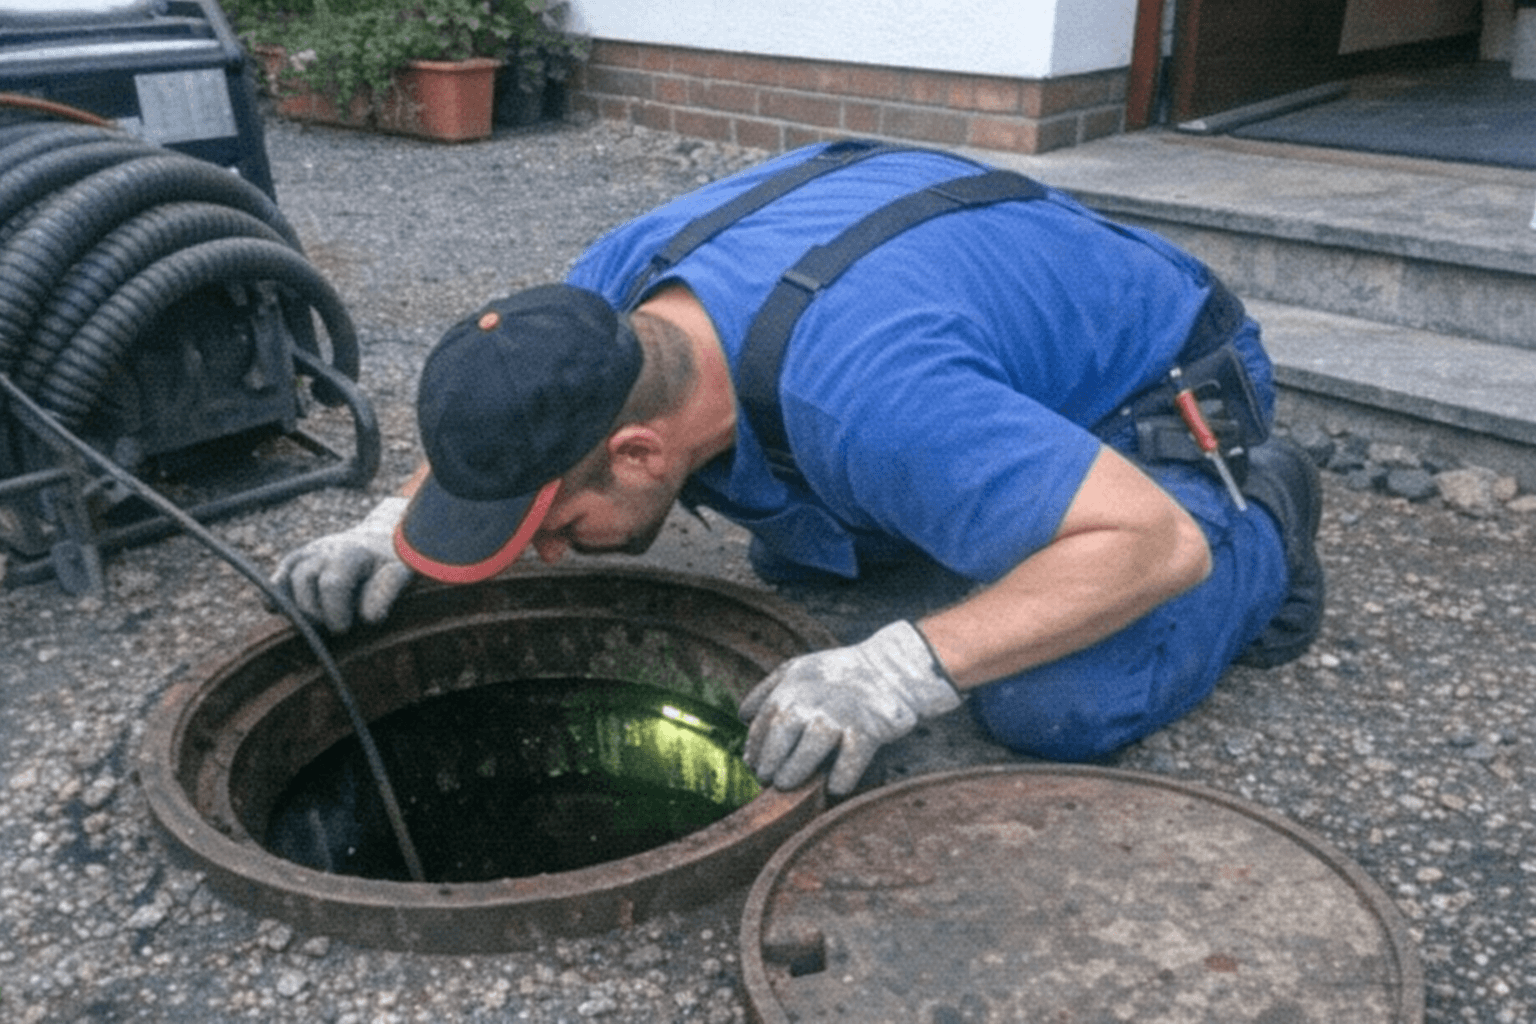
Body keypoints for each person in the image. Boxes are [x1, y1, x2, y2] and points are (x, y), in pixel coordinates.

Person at [273, 140, 1323, 797]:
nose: (547, 553)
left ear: (638, 449)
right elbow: (518, 417)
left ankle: (1268, 513)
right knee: (801, 562)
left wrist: (897, 670)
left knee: (1055, 702)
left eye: (554, 523)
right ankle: (996, 501)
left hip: (1156, 381)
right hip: (952, 330)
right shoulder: (612, 296)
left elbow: (1153, 545)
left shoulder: (868, 397)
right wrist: (391, 525)